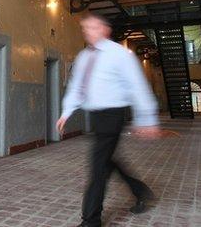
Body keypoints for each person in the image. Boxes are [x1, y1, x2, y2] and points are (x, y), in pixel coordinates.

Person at [56, 12, 161, 227]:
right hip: (96, 116)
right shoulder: (84, 56)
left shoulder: (120, 55)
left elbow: (138, 87)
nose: (88, 32)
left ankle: (91, 220)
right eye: (85, 28)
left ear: (105, 30)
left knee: (97, 167)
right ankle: (141, 192)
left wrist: (147, 119)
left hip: (113, 115)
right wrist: (66, 111)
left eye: (93, 27)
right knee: (106, 161)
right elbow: (78, 86)